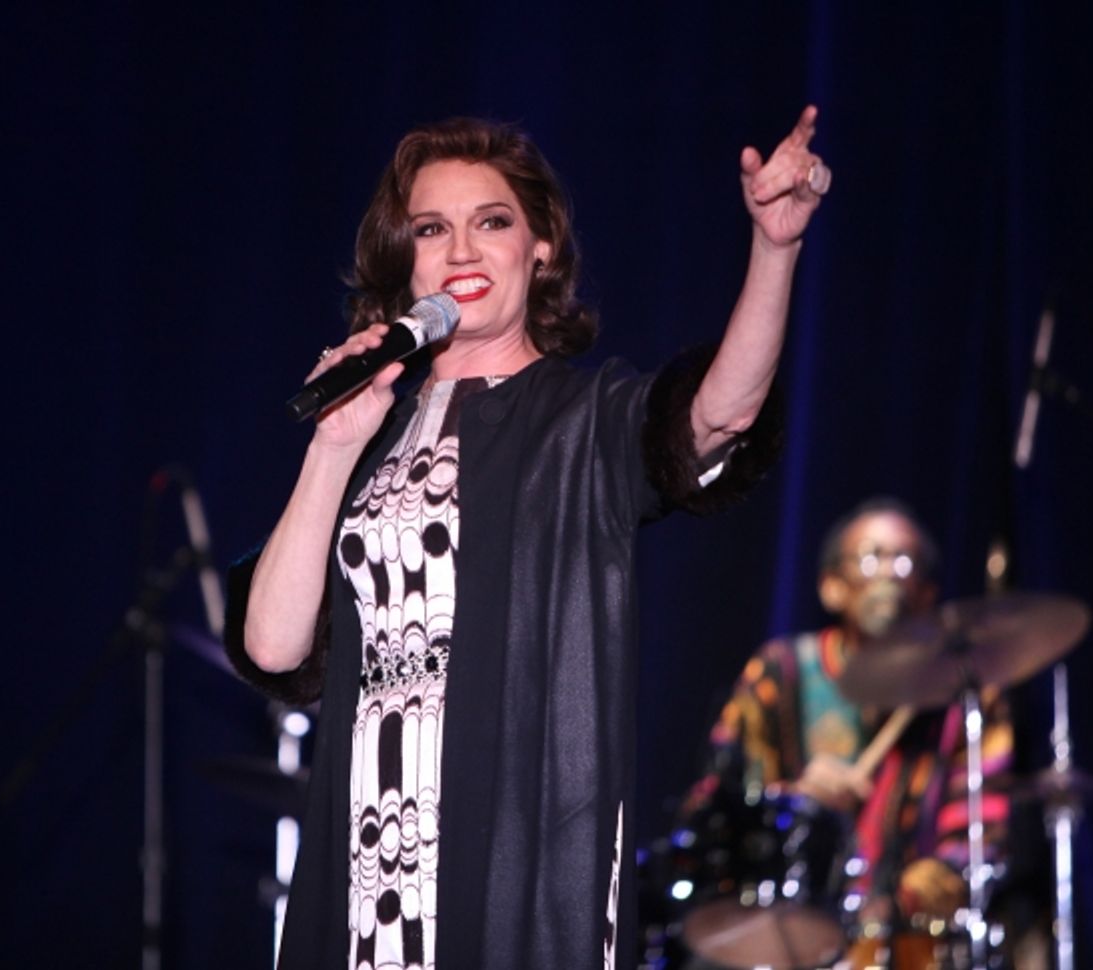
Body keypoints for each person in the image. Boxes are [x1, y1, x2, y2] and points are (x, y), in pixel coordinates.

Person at [223, 107, 830, 970]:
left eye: (492, 222)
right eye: (433, 229)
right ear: (407, 262)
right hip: (367, 865)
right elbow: (275, 645)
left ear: (539, 246)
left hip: (521, 858)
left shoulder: (585, 422)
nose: (462, 251)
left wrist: (775, 248)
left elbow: (724, 412)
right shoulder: (369, 440)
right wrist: (333, 443)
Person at [678, 498, 1013, 961]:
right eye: (871, 556)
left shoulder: (966, 697)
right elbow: (714, 811)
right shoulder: (782, 672)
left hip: (905, 945)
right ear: (832, 587)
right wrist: (793, 802)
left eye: (905, 559)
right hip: (779, 935)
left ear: (927, 592)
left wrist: (895, 906)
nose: (890, 573)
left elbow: (980, 837)